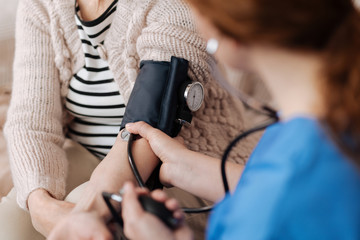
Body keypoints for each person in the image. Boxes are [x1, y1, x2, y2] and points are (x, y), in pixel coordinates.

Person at [49, 0, 360, 239]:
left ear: (229, 33)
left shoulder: (268, 207)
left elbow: (286, 199)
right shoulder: (314, 138)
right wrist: (186, 166)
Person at [0, 0, 260, 239]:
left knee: (93, 211)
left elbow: (148, 124)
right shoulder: (41, 5)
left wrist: (88, 211)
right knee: (13, 218)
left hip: (176, 165)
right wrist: (41, 206)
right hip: (87, 153)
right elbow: (30, 119)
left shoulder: (174, 6)